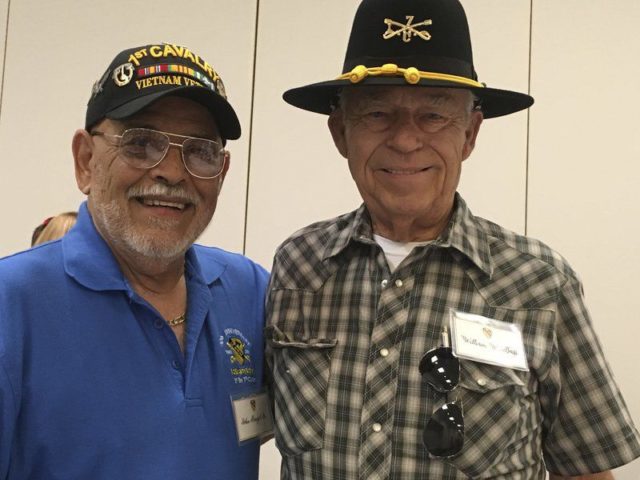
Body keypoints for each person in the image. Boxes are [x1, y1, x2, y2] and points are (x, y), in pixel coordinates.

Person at [265, 1, 640, 479]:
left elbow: (585, 471)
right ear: (341, 133)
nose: (405, 140)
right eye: (378, 114)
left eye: (434, 116)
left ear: (470, 134)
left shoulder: (541, 283)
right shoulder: (297, 266)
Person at [0, 43, 271, 479]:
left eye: (200, 151)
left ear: (221, 174)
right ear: (86, 160)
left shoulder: (251, 292)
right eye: (142, 143)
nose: (172, 172)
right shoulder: (11, 305)